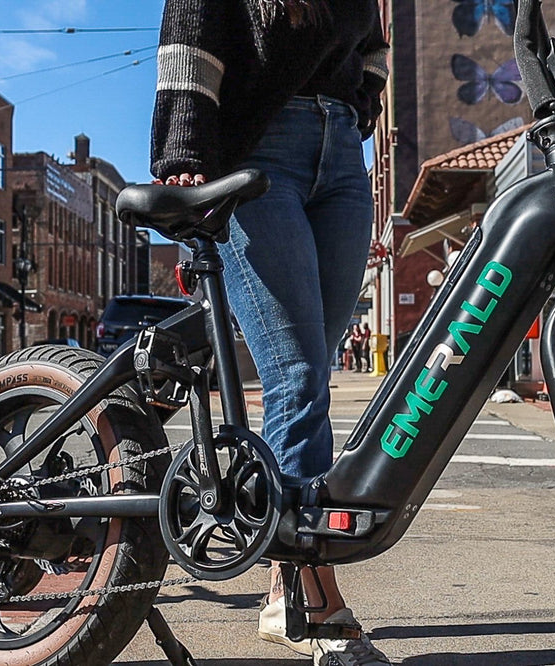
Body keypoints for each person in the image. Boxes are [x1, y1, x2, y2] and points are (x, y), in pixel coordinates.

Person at [150, 1, 390, 664]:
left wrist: (363, 101)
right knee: (297, 375)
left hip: (341, 157)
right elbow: (192, 27)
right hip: (259, 147)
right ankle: (307, 598)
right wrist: (187, 148)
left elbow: (372, 43)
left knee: (309, 366)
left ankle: (280, 572)